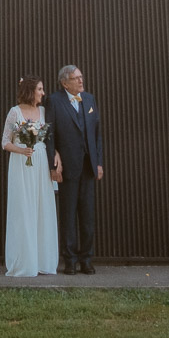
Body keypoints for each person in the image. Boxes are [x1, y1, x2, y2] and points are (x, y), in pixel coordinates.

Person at [47, 64, 103, 275]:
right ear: (64, 83)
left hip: (88, 168)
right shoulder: (54, 101)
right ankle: (69, 260)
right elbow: (50, 135)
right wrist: (54, 163)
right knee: (68, 216)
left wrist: (98, 163)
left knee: (87, 217)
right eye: (76, 78)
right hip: (67, 168)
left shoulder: (89, 99)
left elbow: (97, 134)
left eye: (81, 77)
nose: (81, 81)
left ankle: (86, 259)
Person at [1, 75, 59, 277]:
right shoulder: (14, 113)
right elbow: (4, 142)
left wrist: (56, 155)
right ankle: (25, 261)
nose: (43, 93)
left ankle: (43, 260)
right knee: (24, 209)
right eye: (40, 89)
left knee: (42, 209)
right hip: (22, 164)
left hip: (41, 163)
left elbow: (50, 139)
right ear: (30, 91)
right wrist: (21, 150)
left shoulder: (43, 111)